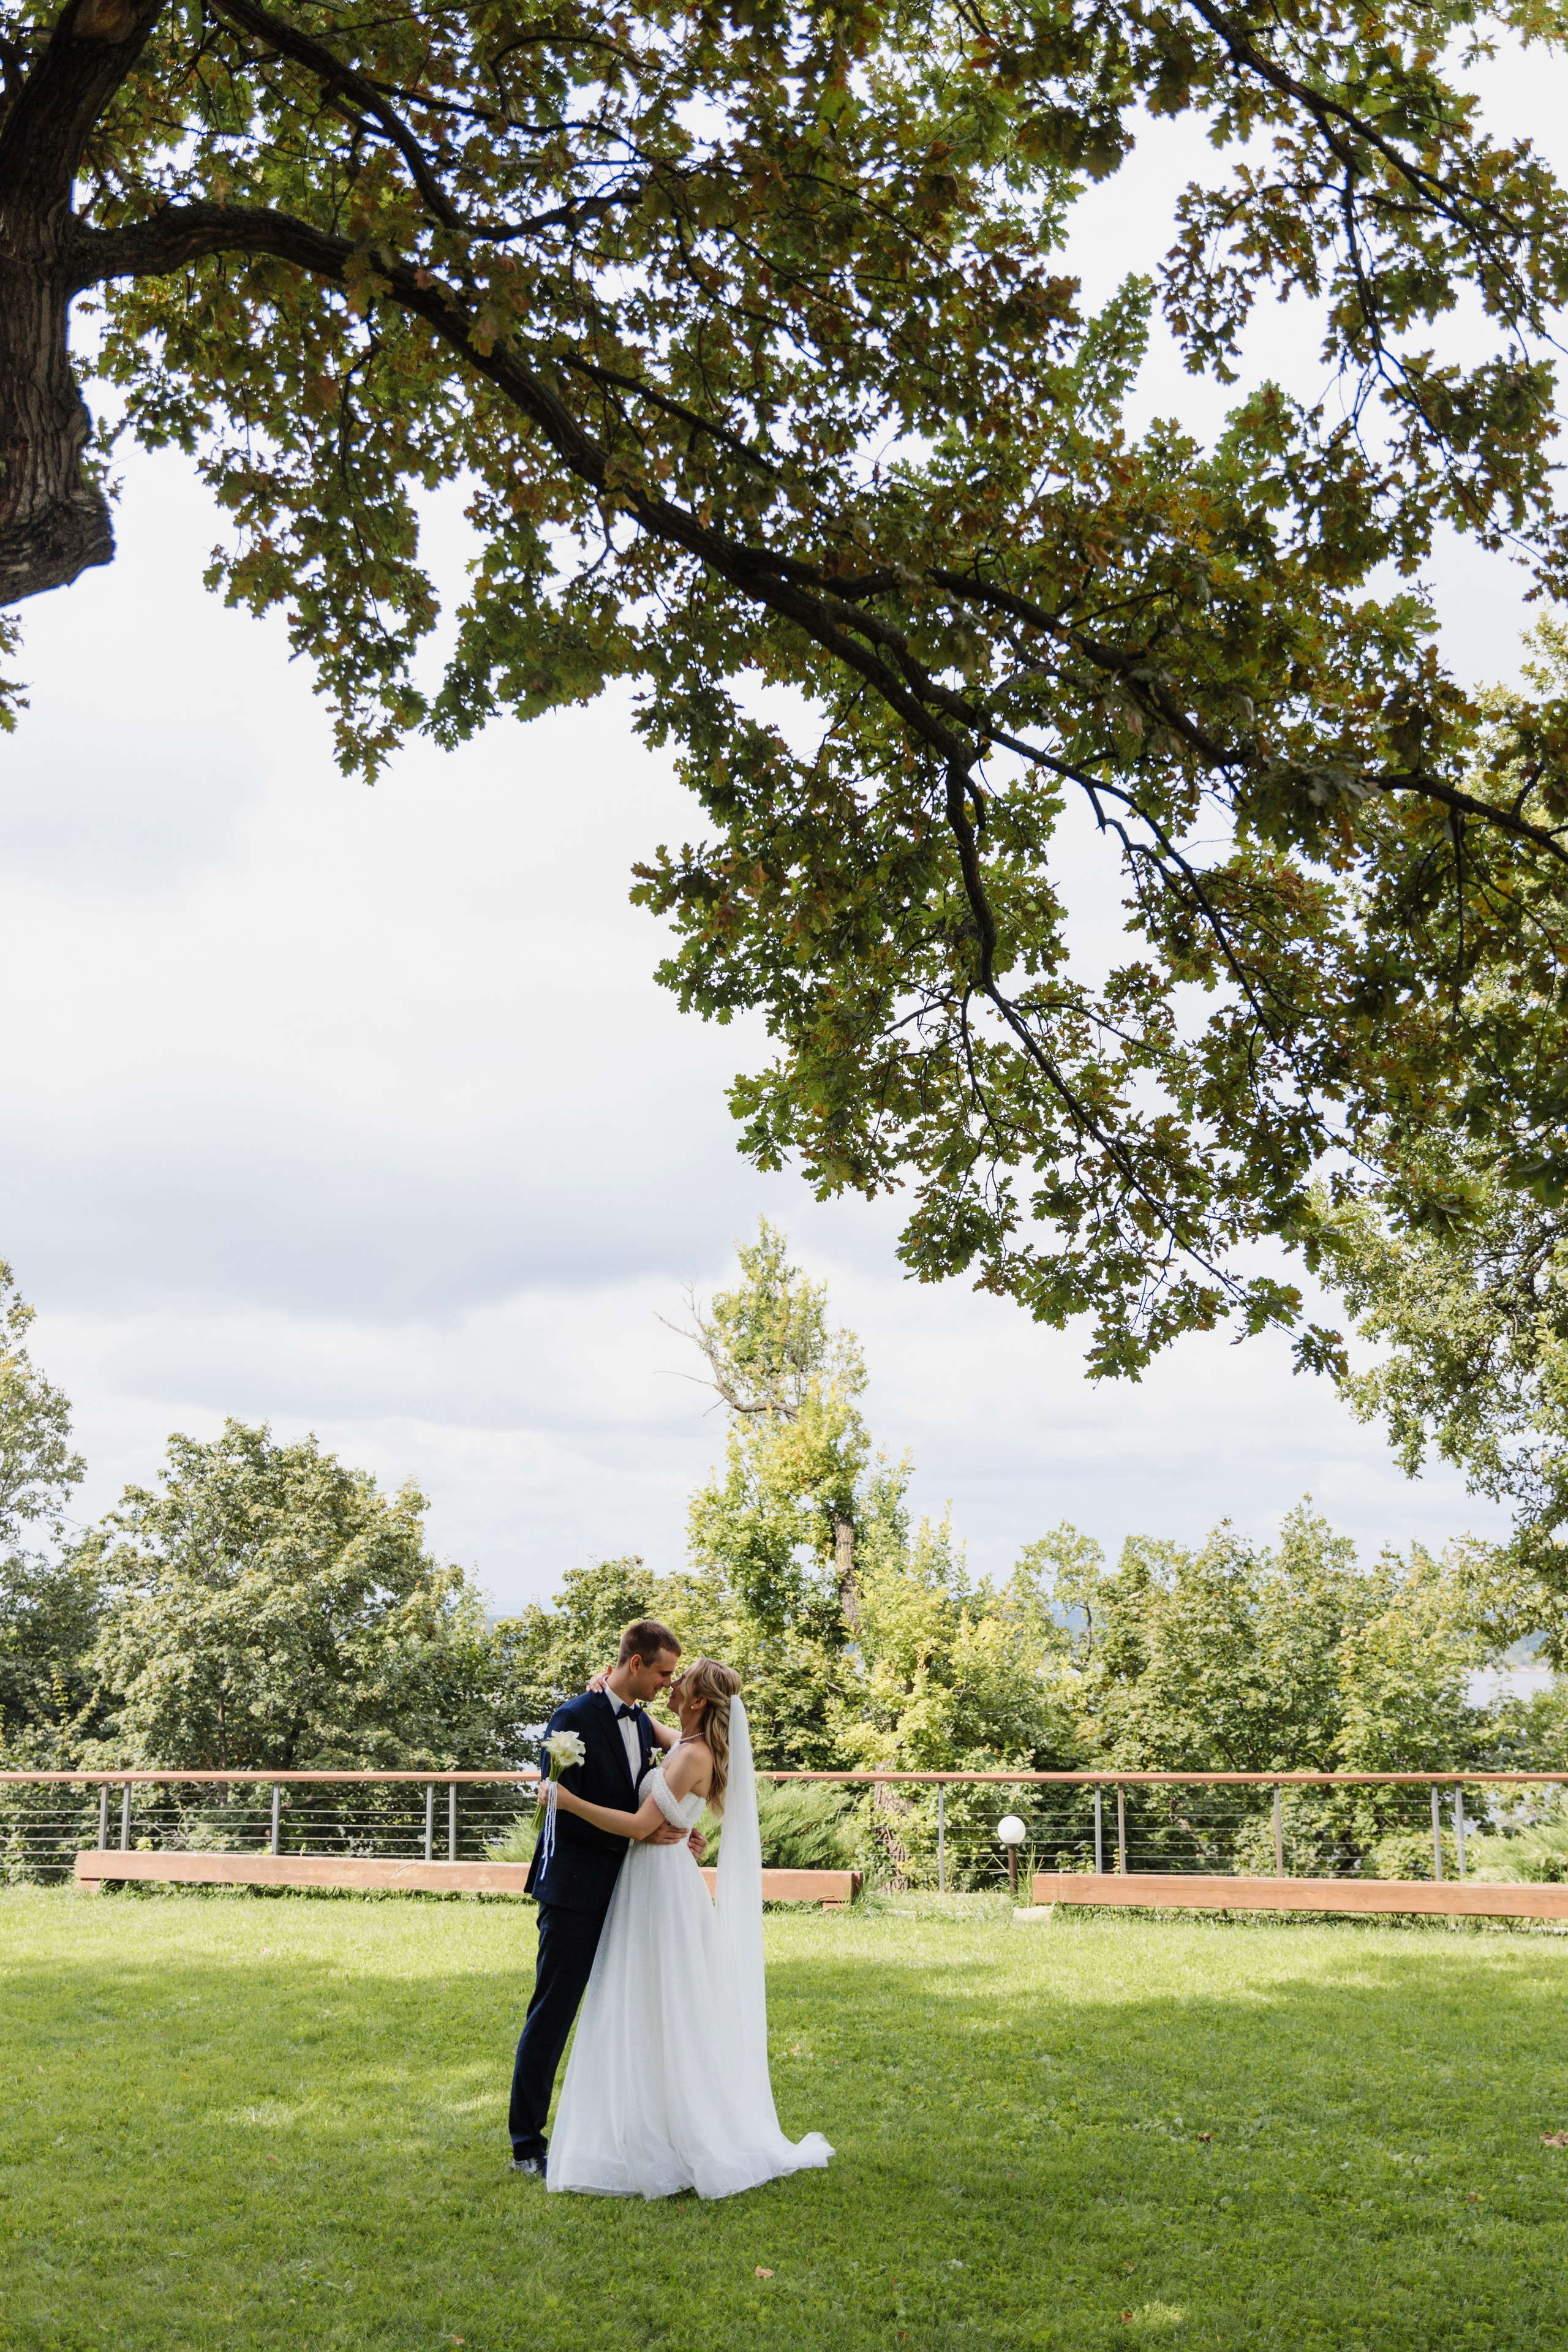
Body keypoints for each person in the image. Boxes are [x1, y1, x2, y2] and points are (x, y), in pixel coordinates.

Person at [538, 1657, 834, 2199]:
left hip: (660, 1885)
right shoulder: (689, 1741)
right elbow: (635, 1719)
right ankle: (648, 2113)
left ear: (698, 1701)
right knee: (648, 1999)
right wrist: (603, 1686)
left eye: (682, 1680)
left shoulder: (693, 1754)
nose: (672, 1684)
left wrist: (566, 1799)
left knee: (661, 2000)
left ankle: (670, 2129)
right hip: (657, 1879)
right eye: (668, 1675)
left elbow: (638, 1826)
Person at [508, 1618, 698, 2176]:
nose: (668, 1683)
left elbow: (660, 1786)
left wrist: (675, 1829)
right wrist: (640, 1832)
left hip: (633, 1893)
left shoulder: (640, 1720)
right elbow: (555, 1809)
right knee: (554, 2013)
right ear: (635, 1663)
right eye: (662, 1673)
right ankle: (527, 2145)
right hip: (576, 1890)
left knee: (628, 2014)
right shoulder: (573, 1718)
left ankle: (620, 2134)